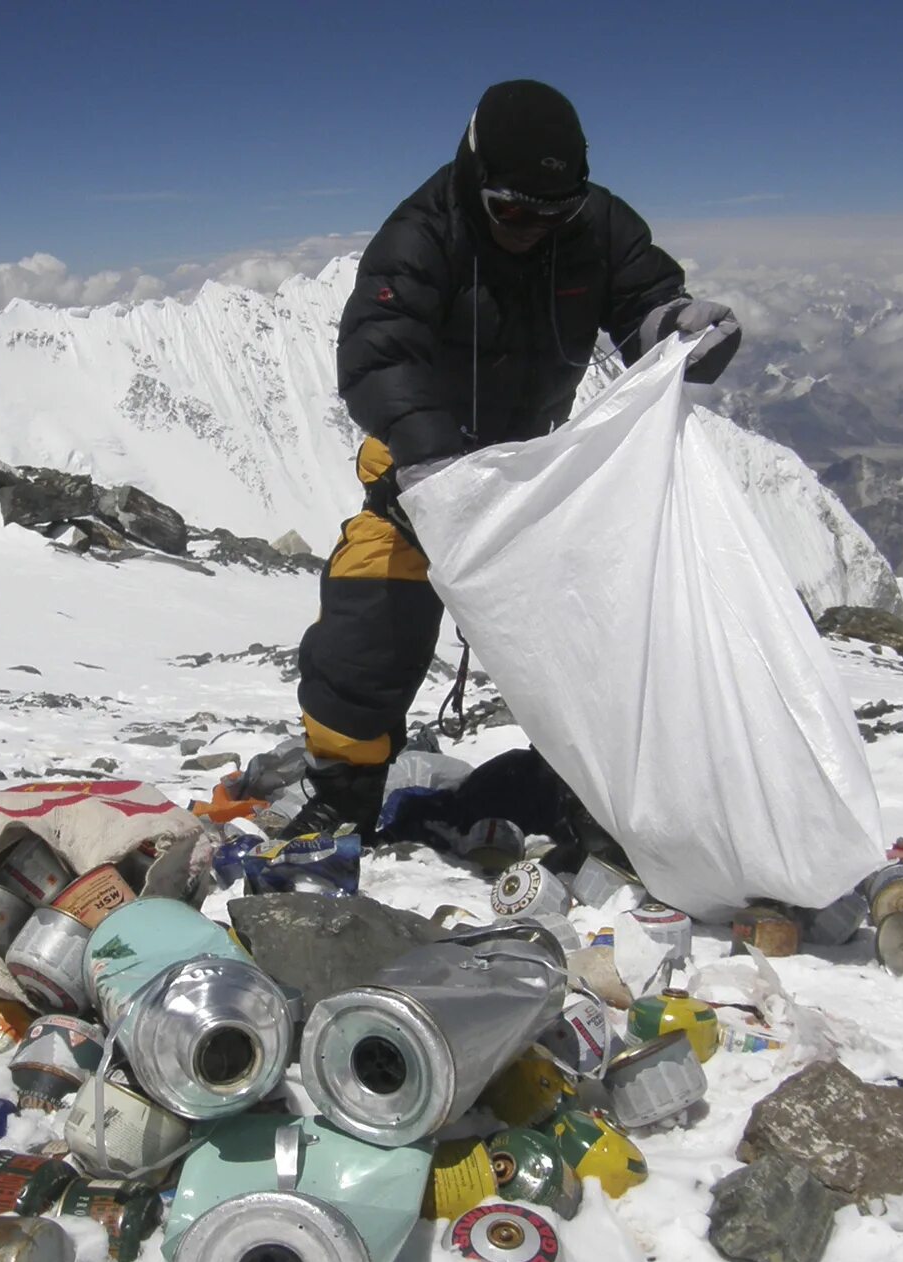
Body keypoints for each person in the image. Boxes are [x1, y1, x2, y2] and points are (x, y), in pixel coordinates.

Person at [286, 78, 742, 839]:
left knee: (597, 639)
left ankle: (593, 799)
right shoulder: (422, 234)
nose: (530, 227)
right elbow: (376, 354)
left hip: (535, 483)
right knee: (366, 634)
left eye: (551, 212)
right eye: (512, 209)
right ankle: (344, 795)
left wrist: (676, 328)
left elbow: (642, 301)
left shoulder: (596, 227)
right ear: (473, 176)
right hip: (417, 485)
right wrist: (433, 465)